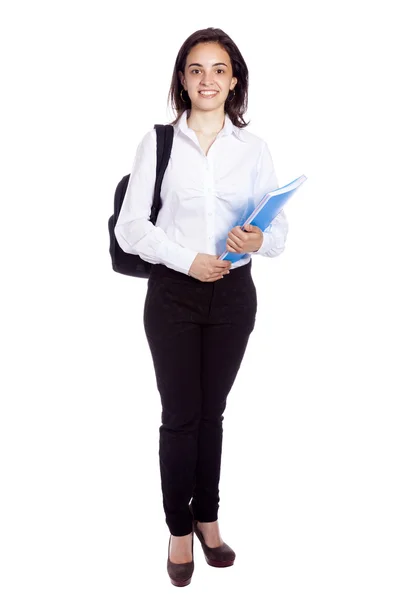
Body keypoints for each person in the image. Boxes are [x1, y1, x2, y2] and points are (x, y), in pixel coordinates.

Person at [114, 27, 289, 586]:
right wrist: (187, 259)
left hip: (234, 298)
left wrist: (257, 239)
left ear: (234, 79)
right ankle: (177, 531)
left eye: (218, 69)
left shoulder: (254, 150)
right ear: (182, 80)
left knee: (212, 414)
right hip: (173, 296)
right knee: (180, 417)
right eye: (196, 69)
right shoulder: (158, 143)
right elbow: (130, 227)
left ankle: (208, 517)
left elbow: (279, 228)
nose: (207, 79)